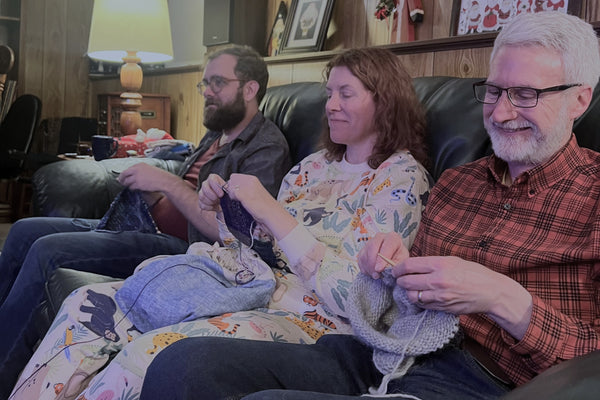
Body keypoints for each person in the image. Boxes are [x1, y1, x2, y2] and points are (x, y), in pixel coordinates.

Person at [139, 11, 600, 400]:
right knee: (183, 365)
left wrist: (503, 299)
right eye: (495, 91)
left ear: (581, 98)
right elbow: (400, 300)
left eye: (525, 94)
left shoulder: (592, 196)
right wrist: (388, 269)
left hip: (487, 381)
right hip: (387, 347)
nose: (500, 112)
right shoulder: (458, 184)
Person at [8, 47, 431, 400]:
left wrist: (272, 213)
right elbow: (257, 245)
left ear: (384, 99)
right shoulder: (313, 167)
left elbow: (362, 301)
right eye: (329, 93)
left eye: (346, 93)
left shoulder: (401, 180)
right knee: (86, 308)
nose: (331, 104)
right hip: (244, 284)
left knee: (150, 351)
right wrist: (227, 214)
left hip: (313, 318)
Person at [0, 44, 292, 398]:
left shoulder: (266, 148)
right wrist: (158, 187)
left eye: (218, 83)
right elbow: (189, 188)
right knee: (24, 229)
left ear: (249, 89)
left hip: (188, 249)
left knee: (48, 250)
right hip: (143, 220)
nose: (208, 93)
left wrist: (167, 184)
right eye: (204, 84)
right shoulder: (219, 132)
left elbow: (239, 236)